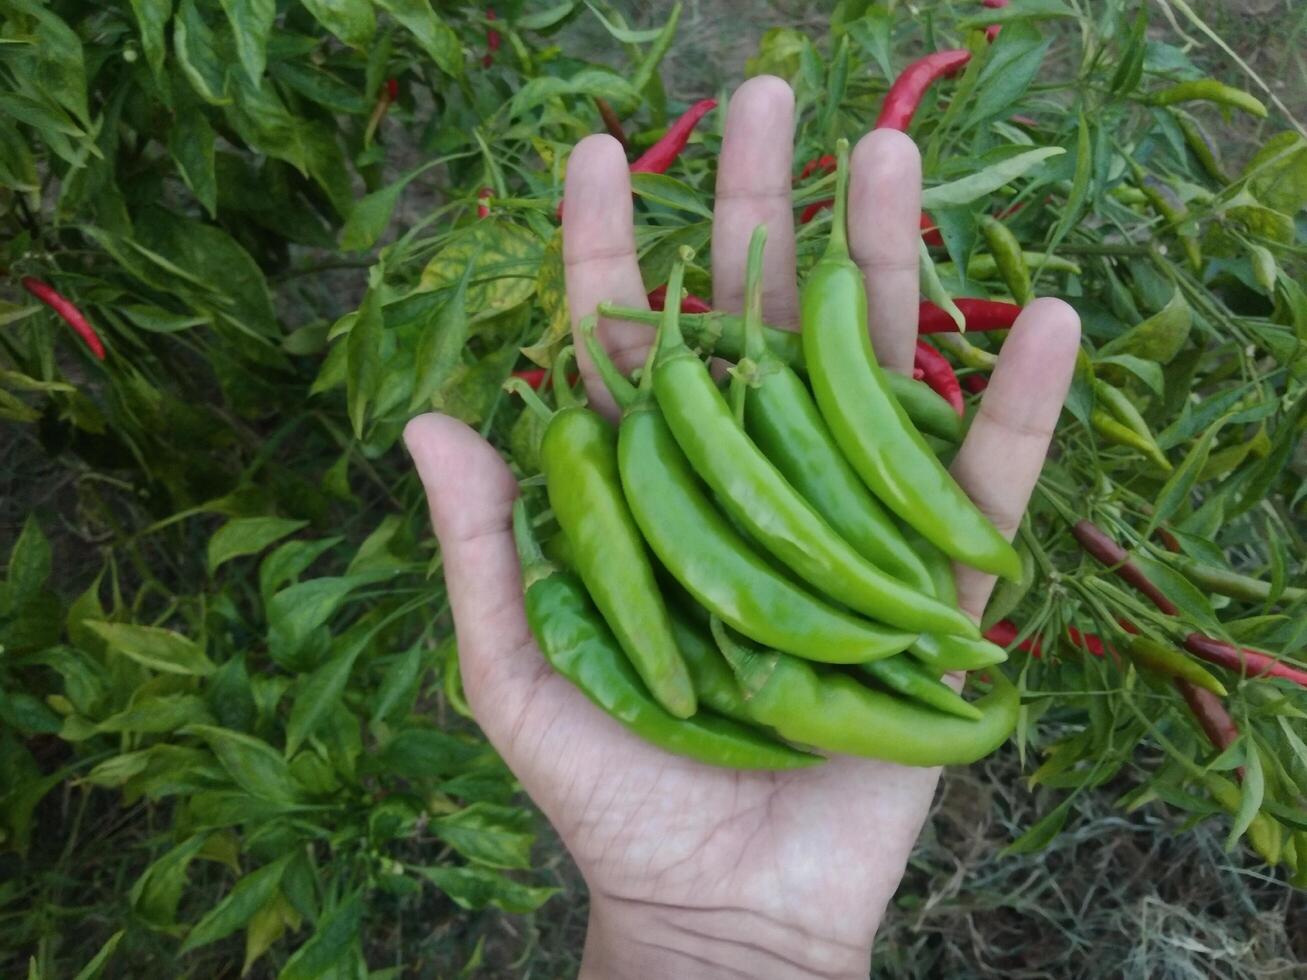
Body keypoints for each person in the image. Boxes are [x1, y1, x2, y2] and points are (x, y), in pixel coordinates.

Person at [404, 76, 1080, 979]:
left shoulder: (660, 432)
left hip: (799, 597)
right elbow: (679, 665)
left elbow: (711, 626)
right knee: (827, 554)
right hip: (781, 626)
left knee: (856, 555)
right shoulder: (646, 445)